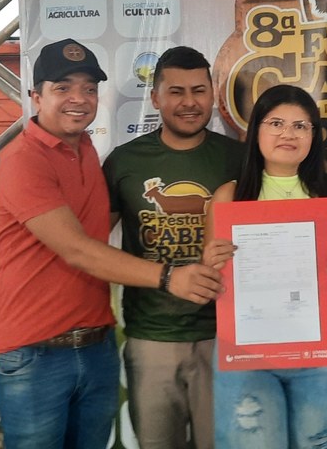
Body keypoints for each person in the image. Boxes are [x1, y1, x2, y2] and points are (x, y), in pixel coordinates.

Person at [0, 39, 224, 449]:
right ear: (35, 97)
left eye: (89, 88)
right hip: (34, 353)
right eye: (63, 88)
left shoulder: (86, 152)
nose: (78, 99)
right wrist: (170, 277)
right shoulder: (24, 159)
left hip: (96, 345)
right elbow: (78, 249)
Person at [202, 84, 327, 449]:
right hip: (246, 353)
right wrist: (211, 264)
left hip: (317, 351)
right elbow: (211, 280)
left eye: (300, 126)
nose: (288, 134)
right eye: (276, 123)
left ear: (314, 135)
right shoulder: (230, 196)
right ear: (256, 130)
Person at [102, 46, 244, 449]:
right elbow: (92, 246)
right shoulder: (124, 161)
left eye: (199, 90)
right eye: (176, 92)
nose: (189, 102)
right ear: (155, 98)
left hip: (226, 336)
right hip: (152, 337)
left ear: (213, 94)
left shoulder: (241, 158)